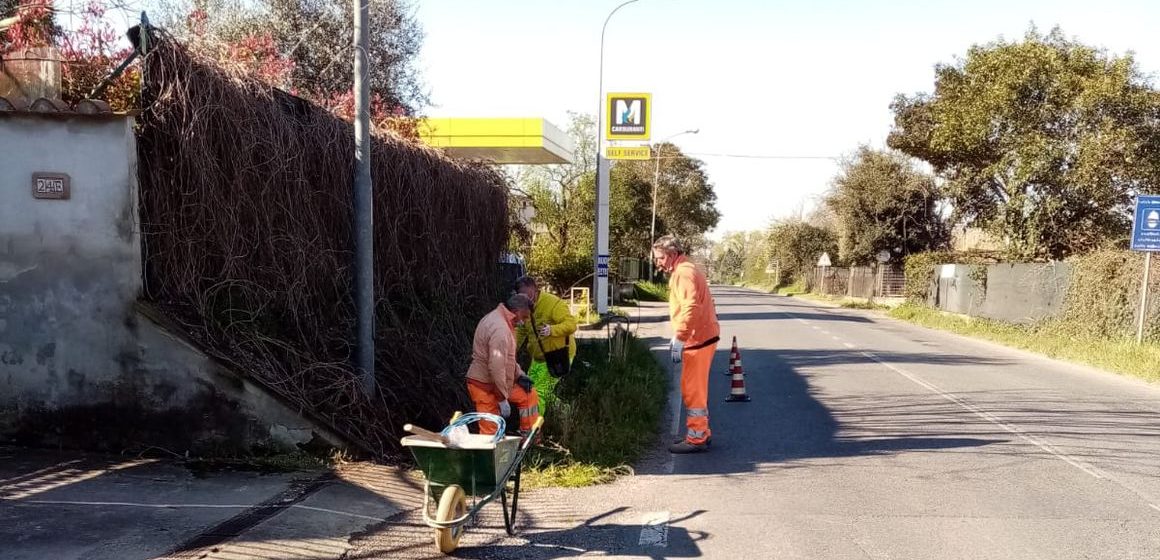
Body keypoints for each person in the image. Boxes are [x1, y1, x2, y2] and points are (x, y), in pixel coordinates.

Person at [652, 234, 720, 454]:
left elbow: (691, 307)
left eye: (661, 258)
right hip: (700, 337)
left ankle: (696, 438)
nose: (658, 263)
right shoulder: (686, 269)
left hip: (697, 339)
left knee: (693, 391)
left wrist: (680, 337)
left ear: (672, 255)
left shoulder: (683, 273)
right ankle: (701, 432)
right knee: (694, 389)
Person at [466, 293, 541, 436]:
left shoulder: (503, 322)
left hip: (496, 383)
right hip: (484, 386)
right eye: (524, 317)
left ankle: (529, 437)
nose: (524, 322)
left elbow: (507, 359)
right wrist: (501, 398)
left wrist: (519, 375)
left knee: (528, 395)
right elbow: (496, 366)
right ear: (516, 312)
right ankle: (490, 455)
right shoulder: (500, 328)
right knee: (490, 431)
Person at [514, 276, 578, 377]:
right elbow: (522, 330)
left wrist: (551, 330)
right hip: (539, 358)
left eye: (528, 294)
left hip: (559, 355)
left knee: (540, 391)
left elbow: (571, 325)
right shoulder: (525, 307)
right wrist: (511, 347)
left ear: (535, 289)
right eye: (522, 296)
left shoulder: (553, 303)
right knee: (531, 388)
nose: (526, 299)